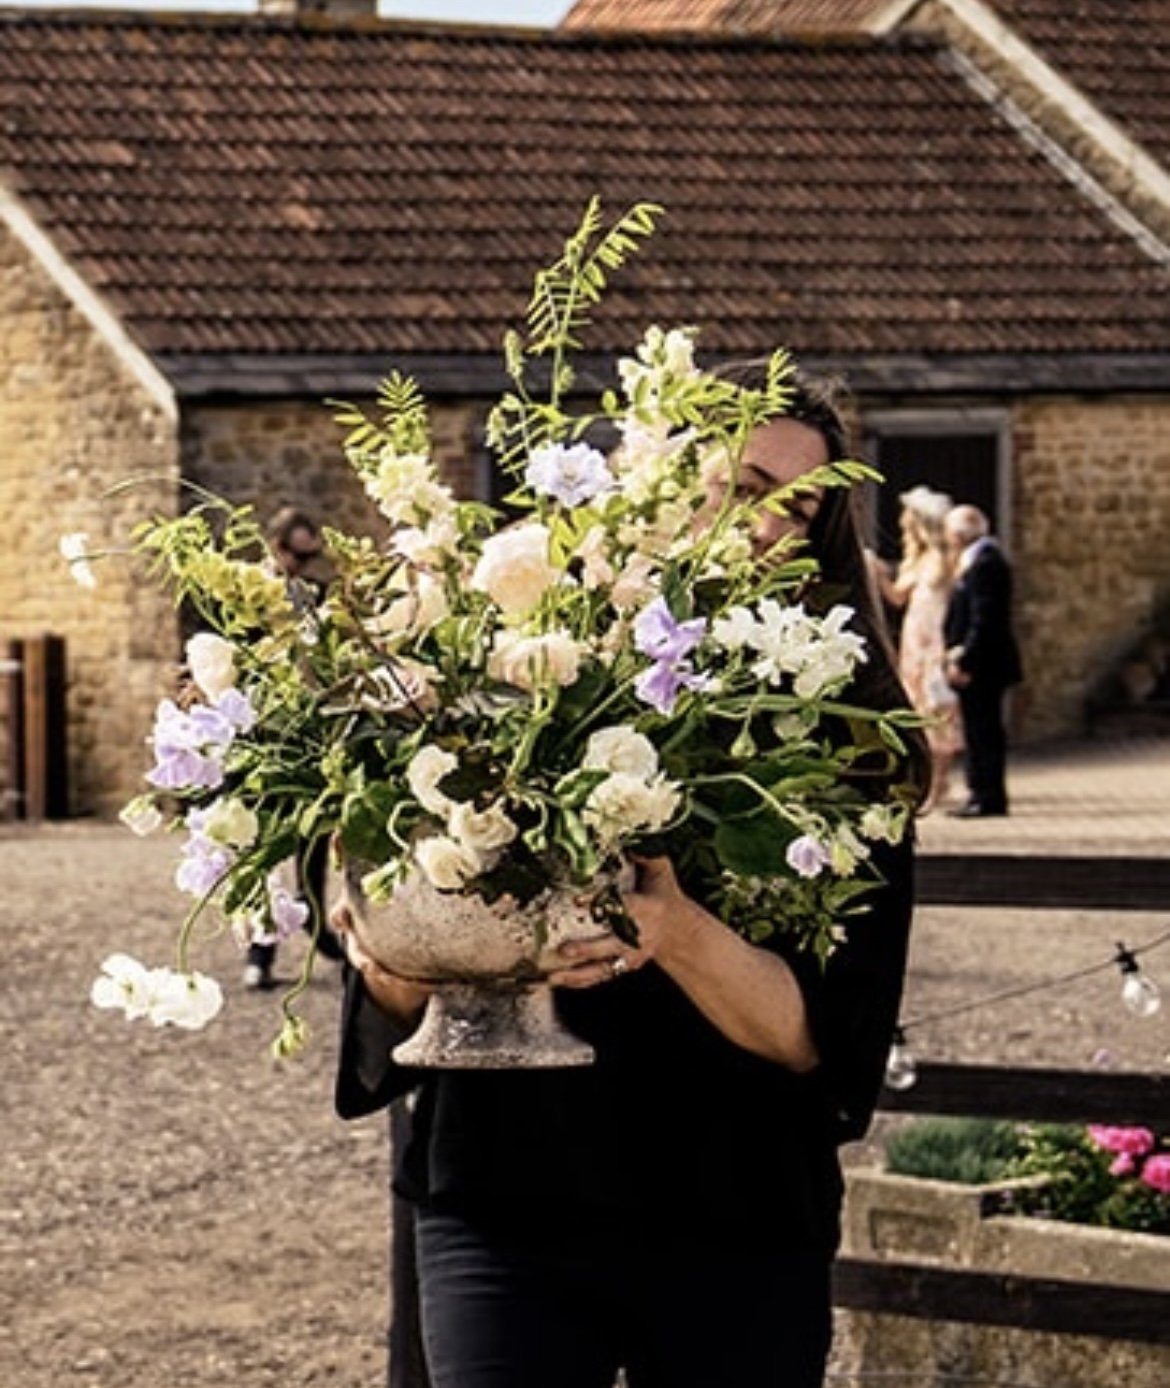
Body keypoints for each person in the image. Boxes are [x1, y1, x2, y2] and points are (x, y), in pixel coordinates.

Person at [331, 378, 930, 1388]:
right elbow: (389, 993)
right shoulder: (502, 662)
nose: (768, 520)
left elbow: (820, 1040)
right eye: (741, 484)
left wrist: (681, 930)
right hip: (503, 1194)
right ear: (654, 482)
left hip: (736, 1213)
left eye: (799, 504)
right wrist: (395, 950)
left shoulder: (852, 744)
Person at [243, 506, 345, 989]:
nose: (296, 566)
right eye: (290, 553)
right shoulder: (245, 594)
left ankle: (319, 929)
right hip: (260, 738)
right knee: (262, 850)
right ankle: (259, 953)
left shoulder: (316, 595)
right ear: (273, 545)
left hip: (307, 737)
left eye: (306, 558)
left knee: (313, 849)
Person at [874, 485, 962, 812]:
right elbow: (897, 597)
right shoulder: (916, 560)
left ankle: (940, 783)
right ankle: (927, 781)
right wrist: (879, 573)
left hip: (933, 642)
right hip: (914, 641)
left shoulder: (941, 560)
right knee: (916, 713)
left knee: (936, 714)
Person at [942, 503, 1023, 818]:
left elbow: (984, 619)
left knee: (984, 731)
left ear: (960, 534)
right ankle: (981, 791)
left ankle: (986, 795)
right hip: (981, 663)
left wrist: (965, 660)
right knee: (978, 730)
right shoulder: (978, 560)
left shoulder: (986, 564)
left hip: (984, 666)